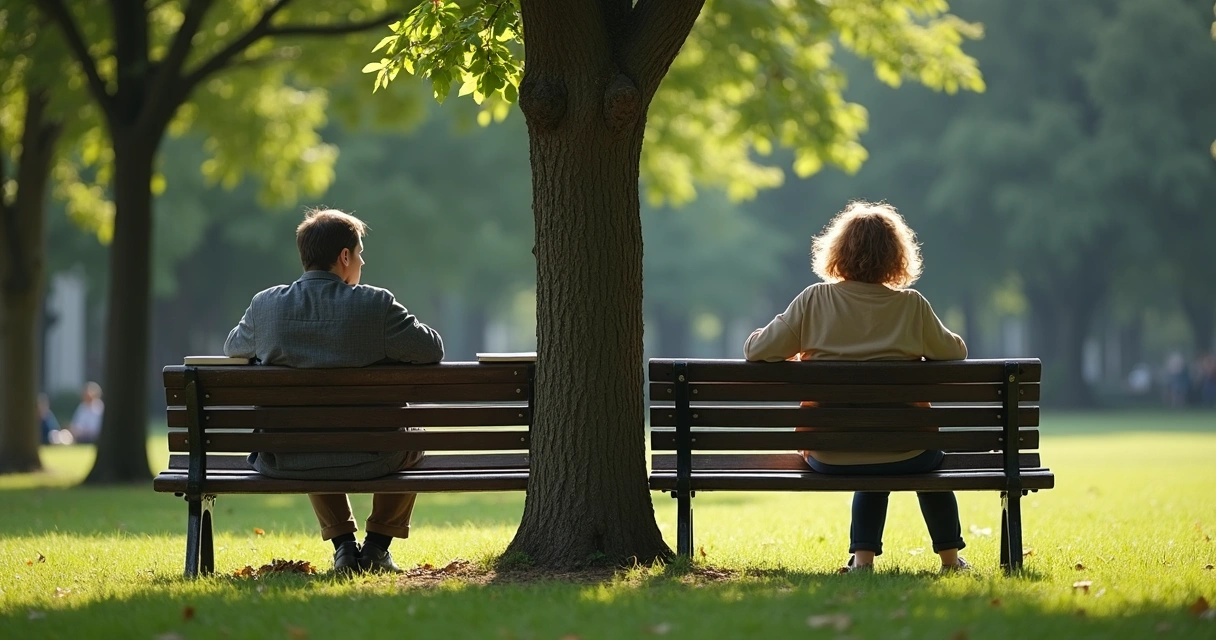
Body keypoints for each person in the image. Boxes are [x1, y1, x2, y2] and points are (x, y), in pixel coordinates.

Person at [743, 200, 969, 573]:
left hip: (830, 453)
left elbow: (756, 350)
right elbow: (955, 351)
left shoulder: (815, 300)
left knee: (866, 442)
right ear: (896, 257)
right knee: (904, 451)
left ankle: (863, 562)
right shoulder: (911, 306)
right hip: (909, 449)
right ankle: (950, 561)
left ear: (838, 251)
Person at [223, 208, 444, 575]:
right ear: (344, 257)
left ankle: (344, 547)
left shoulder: (266, 306)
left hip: (288, 457)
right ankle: (375, 547)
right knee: (413, 435)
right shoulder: (376, 305)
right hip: (375, 455)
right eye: (358, 252)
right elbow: (431, 349)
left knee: (308, 434)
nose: (362, 260)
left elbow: (234, 347)